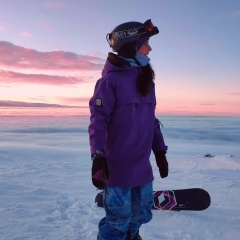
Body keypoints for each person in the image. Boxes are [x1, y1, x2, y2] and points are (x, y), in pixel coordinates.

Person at [88, 19, 169, 240]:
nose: (150, 49)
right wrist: (98, 157)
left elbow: (150, 119)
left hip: (141, 167)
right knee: (118, 219)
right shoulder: (109, 82)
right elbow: (98, 121)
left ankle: (132, 237)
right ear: (130, 46)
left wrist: (160, 152)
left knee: (141, 214)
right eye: (146, 43)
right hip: (117, 168)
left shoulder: (146, 81)